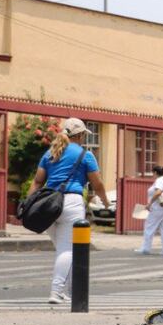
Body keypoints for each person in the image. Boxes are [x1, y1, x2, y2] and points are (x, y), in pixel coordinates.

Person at [28, 117, 110, 305]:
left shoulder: (50, 153)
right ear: (80, 135)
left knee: (65, 249)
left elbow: (38, 181)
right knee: (68, 250)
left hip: (48, 204)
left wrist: (28, 204)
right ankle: (56, 291)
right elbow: (97, 184)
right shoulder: (85, 155)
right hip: (71, 203)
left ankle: (70, 292)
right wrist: (106, 202)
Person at [137, 165, 163, 255]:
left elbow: (158, 192)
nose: (152, 175)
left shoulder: (159, 180)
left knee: (149, 226)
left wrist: (150, 203)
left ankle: (145, 248)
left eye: (152, 173)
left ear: (155, 172)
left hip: (158, 208)